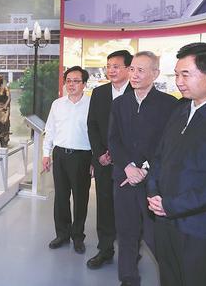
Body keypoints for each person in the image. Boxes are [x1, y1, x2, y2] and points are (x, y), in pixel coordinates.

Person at [147, 43, 206, 286]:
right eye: (177, 74)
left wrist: (172, 205)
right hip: (165, 220)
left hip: (201, 230)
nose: (179, 81)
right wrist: (154, 193)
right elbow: (159, 156)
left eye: (185, 74)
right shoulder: (181, 109)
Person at [108, 51, 177, 286]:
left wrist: (146, 170)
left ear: (155, 74)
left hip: (154, 181)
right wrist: (127, 166)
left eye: (140, 70)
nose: (134, 75)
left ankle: (172, 278)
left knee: (155, 236)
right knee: (126, 231)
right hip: (125, 178)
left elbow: (169, 144)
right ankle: (128, 277)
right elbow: (113, 139)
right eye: (132, 69)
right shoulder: (119, 104)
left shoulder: (170, 105)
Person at [86, 50, 133, 269]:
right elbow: (92, 124)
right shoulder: (99, 93)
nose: (111, 70)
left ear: (128, 69)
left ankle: (130, 255)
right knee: (104, 207)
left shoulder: (138, 92)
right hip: (104, 161)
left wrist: (122, 155)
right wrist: (99, 153)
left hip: (129, 165)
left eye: (116, 66)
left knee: (128, 210)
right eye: (108, 66)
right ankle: (104, 250)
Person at [42, 66, 92, 254]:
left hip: (82, 156)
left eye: (76, 81)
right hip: (60, 155)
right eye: (68, 81)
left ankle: (78, 236)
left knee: (81, 199)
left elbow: (96, 134)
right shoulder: (57, 104)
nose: (71, 84)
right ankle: (62, 234)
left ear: (84, 84)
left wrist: (94, 160)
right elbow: (50, 130)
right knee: (61, 198)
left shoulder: (91, 104)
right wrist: (46, 154)